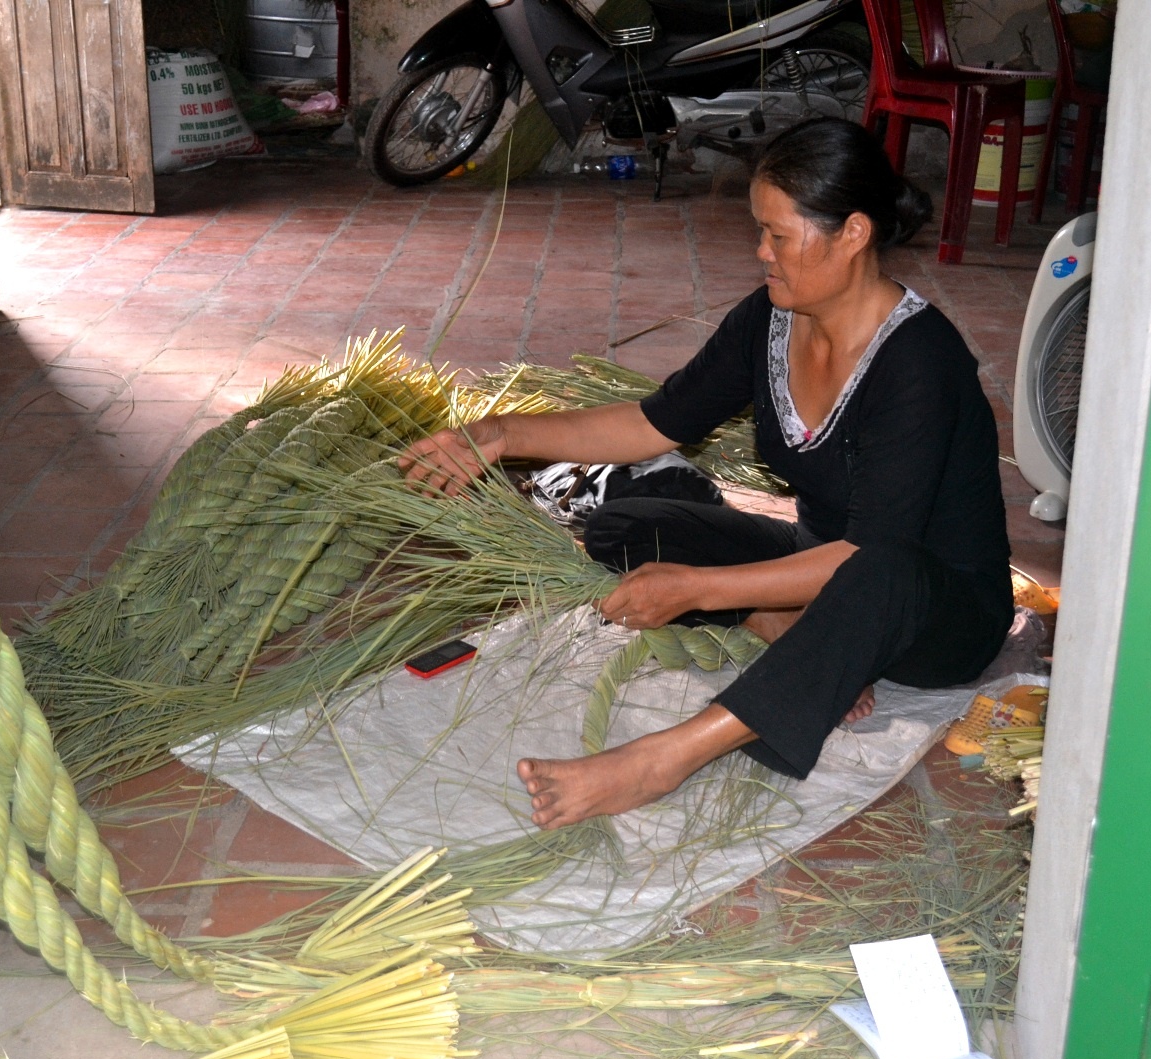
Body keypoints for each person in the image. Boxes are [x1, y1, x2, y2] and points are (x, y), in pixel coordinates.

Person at [398, 118, 1013, 831]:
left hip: (931, 613)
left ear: (851, 232)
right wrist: (500, 435)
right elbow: (652, 424)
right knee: (627, 523)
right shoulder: (770, 320)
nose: (761, 253)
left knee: (877, 570)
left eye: (778, 236)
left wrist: (700, 588)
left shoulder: (919, 363)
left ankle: (668, 756)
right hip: (815, 572)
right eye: (760, 231)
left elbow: (862, 555)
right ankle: (789, 627)